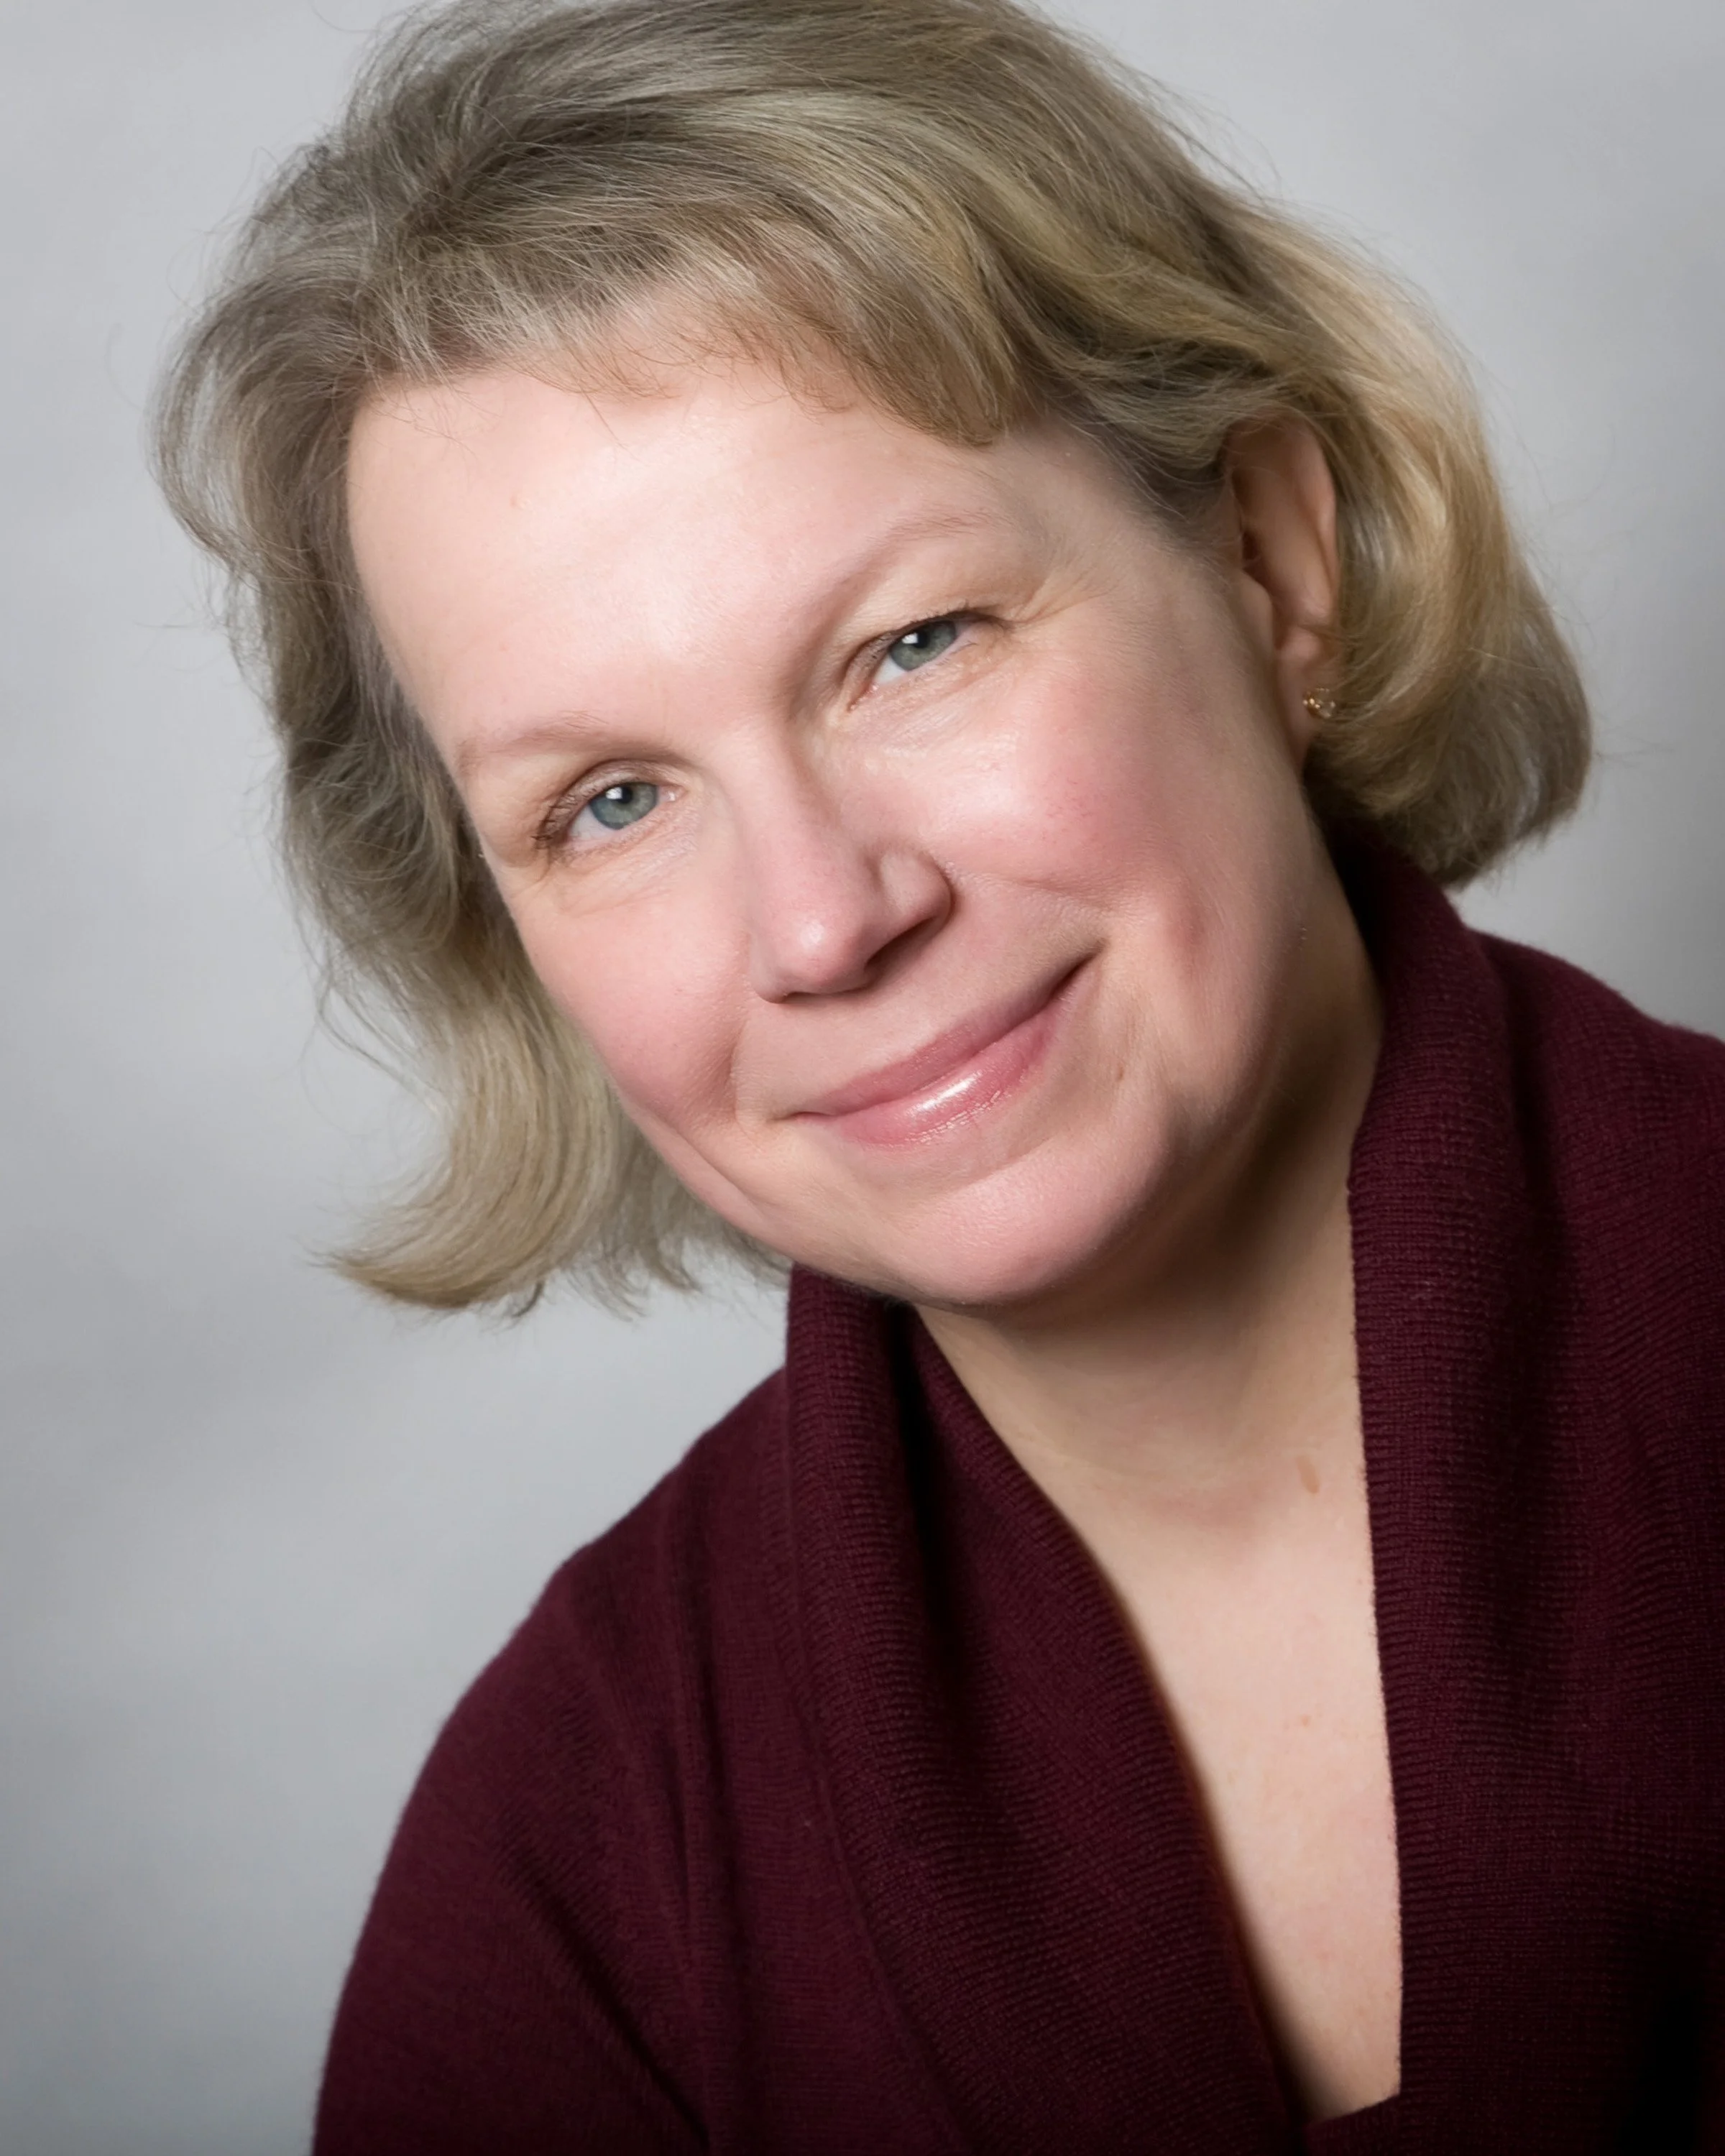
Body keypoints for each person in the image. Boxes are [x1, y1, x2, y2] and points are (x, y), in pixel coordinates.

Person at [153, 0, 1725, 2147]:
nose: (822, 922)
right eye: (611, 800)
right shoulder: (582, 1854)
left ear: (1271, 561)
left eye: (916, 646)